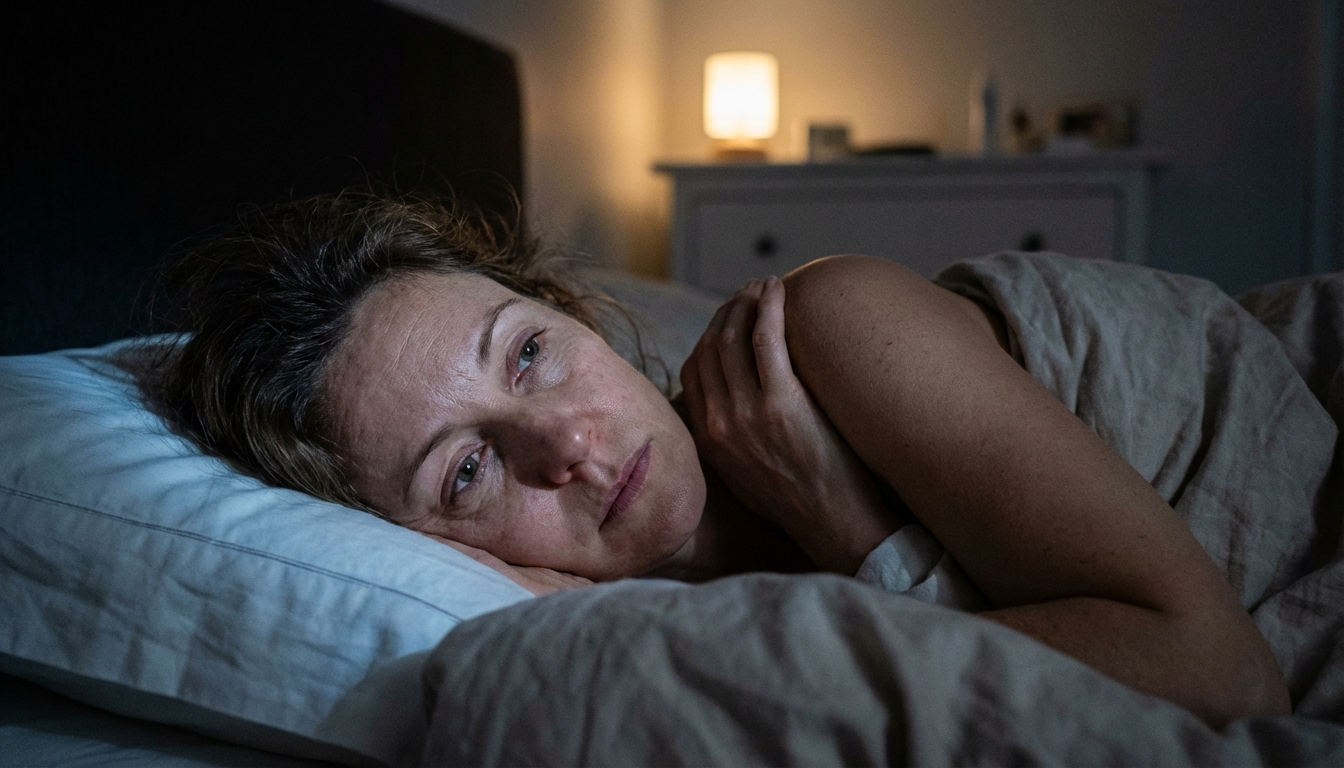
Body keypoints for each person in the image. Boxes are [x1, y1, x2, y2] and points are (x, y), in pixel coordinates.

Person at [148, 192, 1289, 727]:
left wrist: (857, 537)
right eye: (465, 473)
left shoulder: (824, 333)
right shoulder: (613, 648)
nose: (572, 446)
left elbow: (1222, 677)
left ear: (574, 311)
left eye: (532, 354)